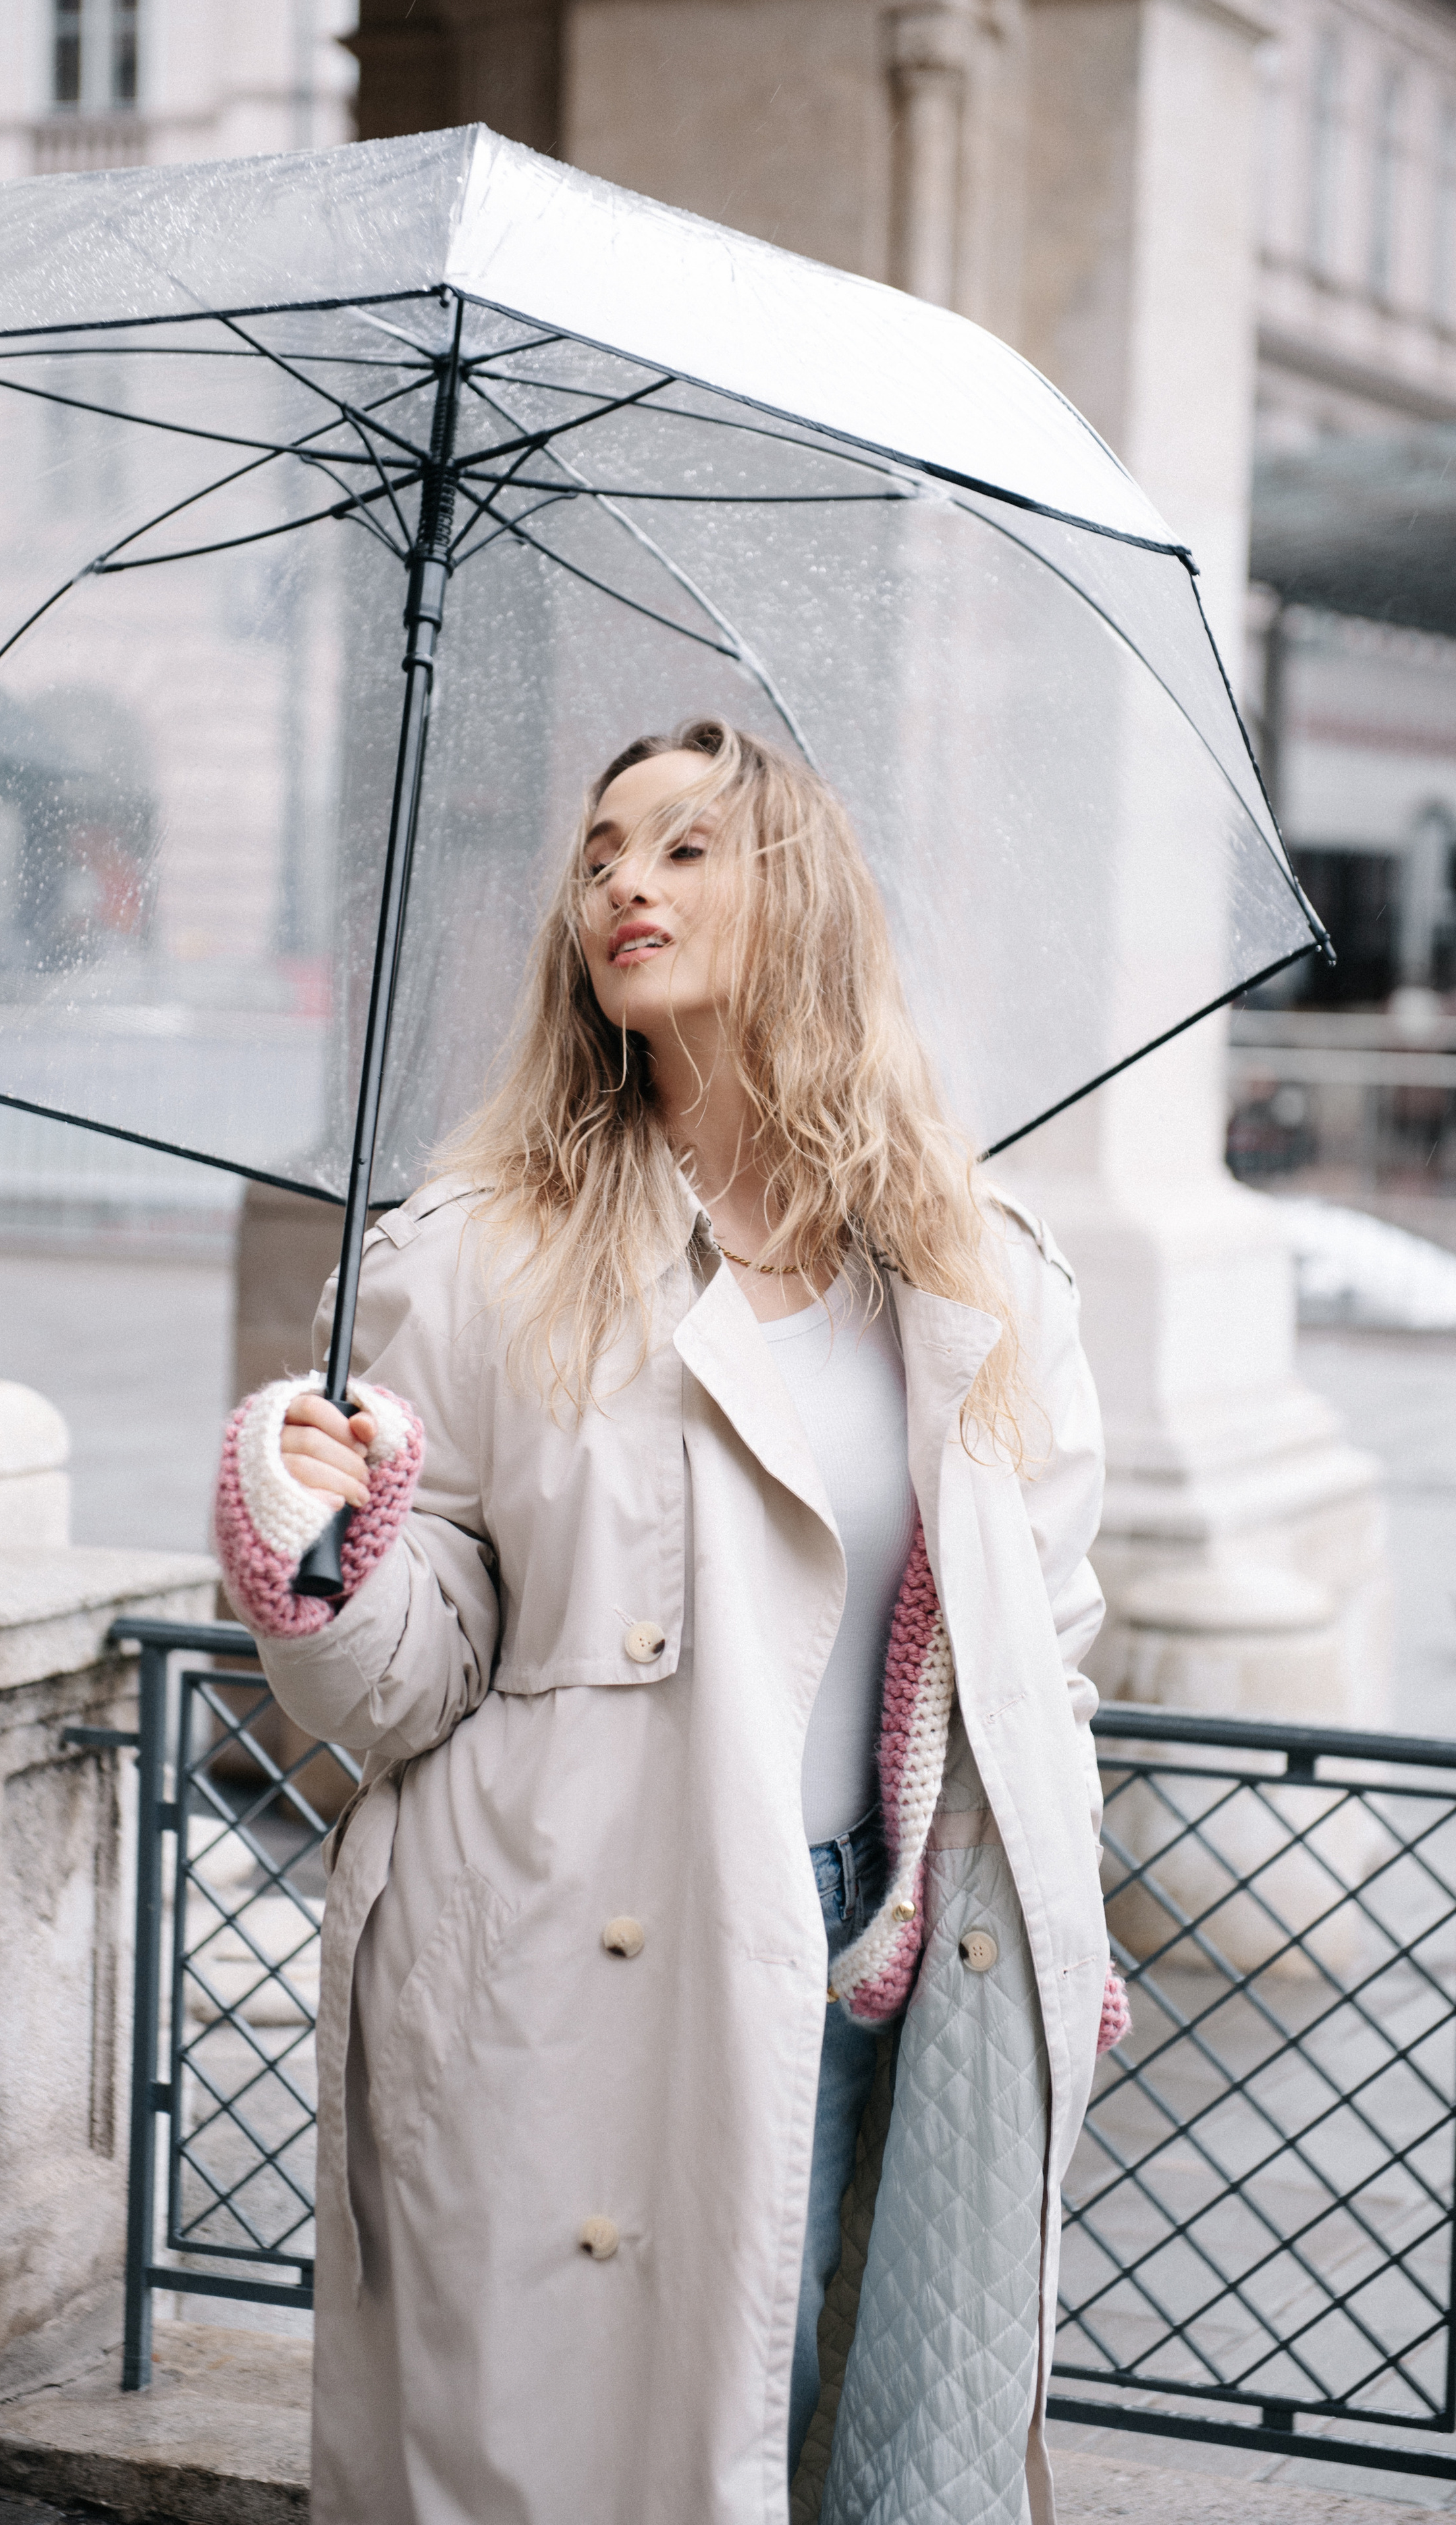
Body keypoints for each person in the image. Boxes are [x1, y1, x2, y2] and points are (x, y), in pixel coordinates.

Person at [212, 718, 1122, 2525]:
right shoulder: (472, 1253)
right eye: (606, 850)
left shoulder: (973, 1266)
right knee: (582, 2465)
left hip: (879, 1949)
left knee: (828, 2436)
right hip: (566, 1952)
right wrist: (316, 1538)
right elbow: (404, 1681)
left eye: (691, 846)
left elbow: (1050, 1635)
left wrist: (1053, 1899)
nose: (628, 879)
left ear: (802, 901)